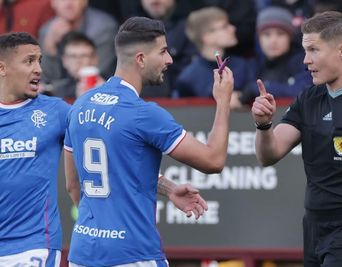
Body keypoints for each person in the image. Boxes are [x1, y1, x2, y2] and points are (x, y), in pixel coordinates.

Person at [64, 16, 233, 266]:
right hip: (134, 254)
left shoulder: (80, 104)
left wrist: (169, 189)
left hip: (84, 252)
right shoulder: (144, 113)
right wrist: (223, 101)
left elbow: (73, 184)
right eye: (163, 51)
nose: (169, 60)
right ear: (141, 59)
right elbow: (213, 160)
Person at [251, 11, 342, 266]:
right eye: (304, 51)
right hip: (314, 228)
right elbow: (269, 154)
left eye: (313, 50)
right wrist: (263, 125)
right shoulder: (309, 98)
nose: (306, 60)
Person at [0, 32, 70, 266]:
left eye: (39, 60)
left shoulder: (56, 112)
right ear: (2, 68)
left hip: (34, 244)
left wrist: (166, 185)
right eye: (29, 61)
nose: (39, 69)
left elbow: (109, 148)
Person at [237, 6, 312, 108]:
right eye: (267, 35)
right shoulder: (252, 65)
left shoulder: (304, 62)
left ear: (290, 37)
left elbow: (303, 90)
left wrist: (256, 89)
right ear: (258, 38)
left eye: (280, 34)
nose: (273, 40)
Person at [176, 7, 250, 100]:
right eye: (224, 26)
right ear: (207, 37)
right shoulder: (189, 77)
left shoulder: (242, 65)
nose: (233, 28)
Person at [44, 31, 104, 99]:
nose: (78, 61)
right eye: (73, 56)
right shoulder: (57, 91)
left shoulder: (107, 87)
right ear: (64, 61)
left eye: (84, 56)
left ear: (95, 59)